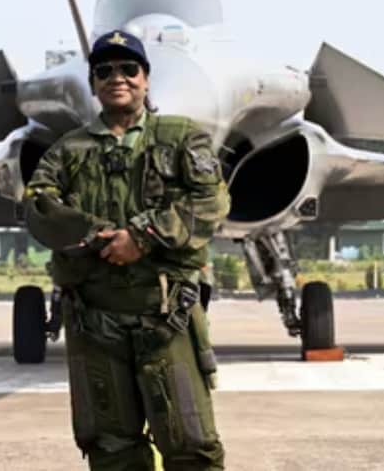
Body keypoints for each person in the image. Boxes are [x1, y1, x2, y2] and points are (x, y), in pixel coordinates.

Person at [24, 30, 230, 471]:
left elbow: (212, 201)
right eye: (105, 70)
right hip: (95, 323)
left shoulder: (181, 138)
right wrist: (100, 235)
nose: (117, 78)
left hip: (167, 317)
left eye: (128, 69)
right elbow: (39, 206)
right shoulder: (68, 151)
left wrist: (143, 237)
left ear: (146, 78)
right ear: (94, 82)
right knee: (111, 450)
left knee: (191, 445)